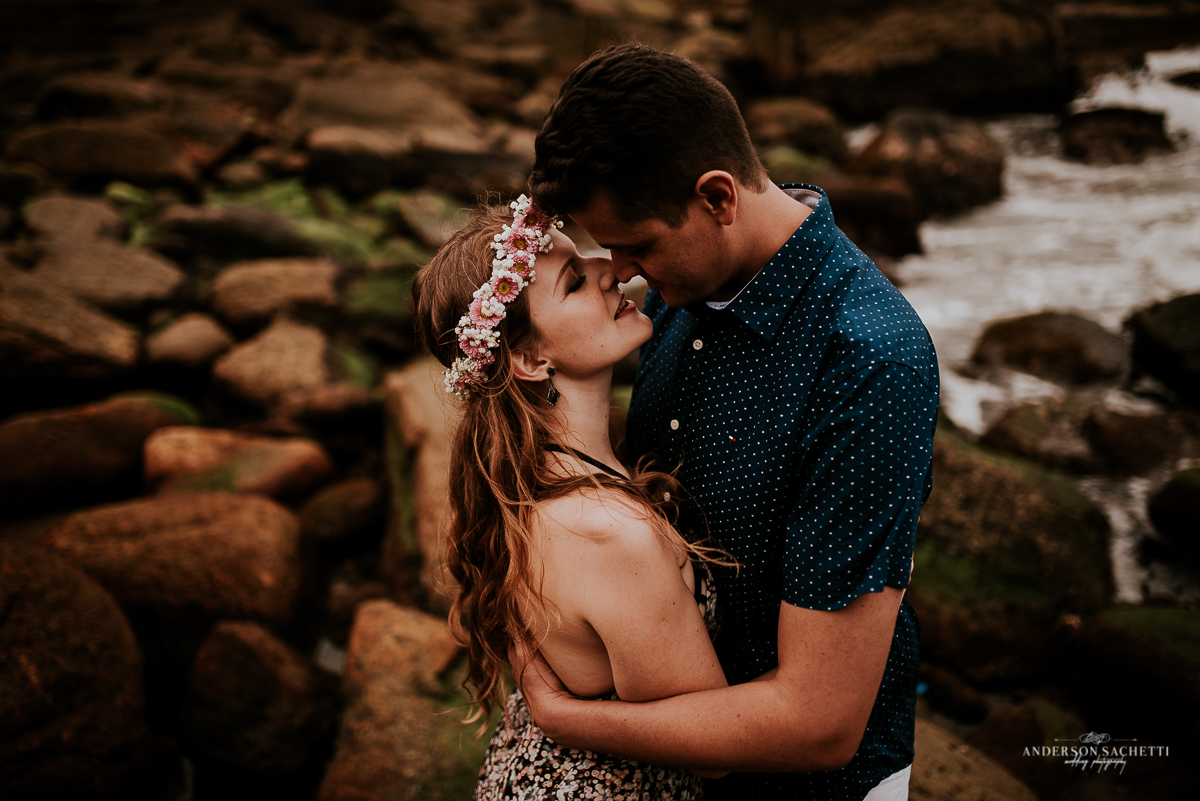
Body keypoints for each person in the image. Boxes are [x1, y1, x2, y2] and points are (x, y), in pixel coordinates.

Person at [511, 43, 940, 800]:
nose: (624, 272)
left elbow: (820, 720)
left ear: (717, 197)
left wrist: (566, 718)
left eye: (636, 244)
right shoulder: (683, 290)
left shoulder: (869, 359)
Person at [411, 195, 732, 800]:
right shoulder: (606, 530)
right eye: (575, 280)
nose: (612, 268)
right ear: (531, 359)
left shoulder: (520, 485)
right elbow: (711, 750)